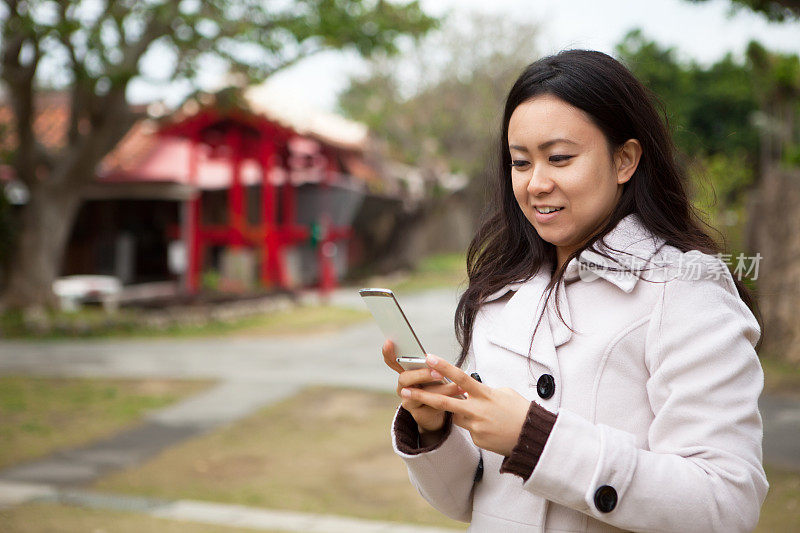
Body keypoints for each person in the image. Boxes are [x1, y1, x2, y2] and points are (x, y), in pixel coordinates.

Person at [382, 49, 768, 533]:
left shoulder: (687, 288)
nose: (536, 183)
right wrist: (434, 427)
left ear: (624, 159)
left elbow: (726, 505)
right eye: (520, 163)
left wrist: (536, 440)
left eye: (560, 158)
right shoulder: (503, 288)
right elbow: (469, 502)